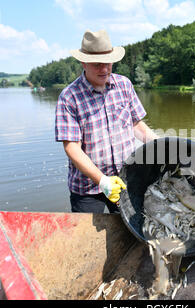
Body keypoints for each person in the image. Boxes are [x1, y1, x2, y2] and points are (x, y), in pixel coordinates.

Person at [55, 29, 158, 214]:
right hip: (86, 188)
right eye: (97, 64)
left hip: (124, 180)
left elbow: (136, 124)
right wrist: (102, 181)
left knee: (129, 233)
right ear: (83, 62)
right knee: (86, 238)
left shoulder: (124, 85)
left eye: (107, 63)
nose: (104, 69)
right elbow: (72, 147)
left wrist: (160, 145)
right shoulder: (69, 97)